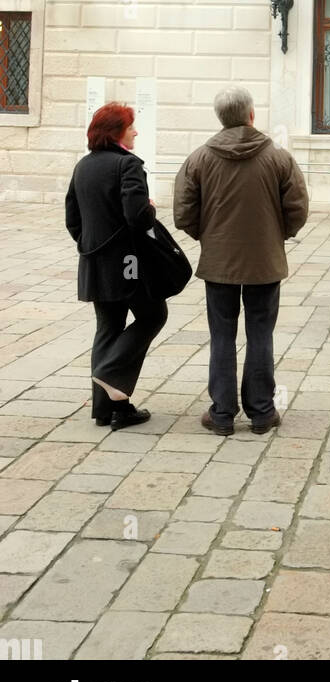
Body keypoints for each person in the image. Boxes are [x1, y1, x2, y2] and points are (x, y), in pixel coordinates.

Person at [173, 87, 309, 437]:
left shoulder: (200, 158)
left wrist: (209, 237)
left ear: (221, 117)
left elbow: (183, 213)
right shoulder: (278, 157)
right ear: (250, 115)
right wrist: (278, 235)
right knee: (261, 333)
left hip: (219, 263)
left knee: (222, 336)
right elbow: (298, 208)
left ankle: (222, 414)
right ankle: (262, 412)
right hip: (265, 262)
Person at [65, 103, 168, 430]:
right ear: (116, 133)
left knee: (108, 328)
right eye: (131, 127)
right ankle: (111, 377)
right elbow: (137, 217)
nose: (136, 131)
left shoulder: (83, 166)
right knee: (154, 314)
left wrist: (92, 243)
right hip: (128, 264)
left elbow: (72, 219)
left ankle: (109, 410)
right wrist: (149, 208)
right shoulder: (127, 165)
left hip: (94, 262)